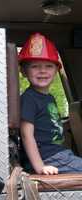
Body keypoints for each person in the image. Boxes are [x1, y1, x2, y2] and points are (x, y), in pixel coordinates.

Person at [19, 32, 82, 175]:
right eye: (35, 66)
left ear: (56, 70)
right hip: (48, 158)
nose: (42, 70)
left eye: (49, 66)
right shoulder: (29, 98)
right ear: (23, 71)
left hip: (60, 156)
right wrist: (40, 167)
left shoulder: (49, 98)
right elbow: (26, 134)